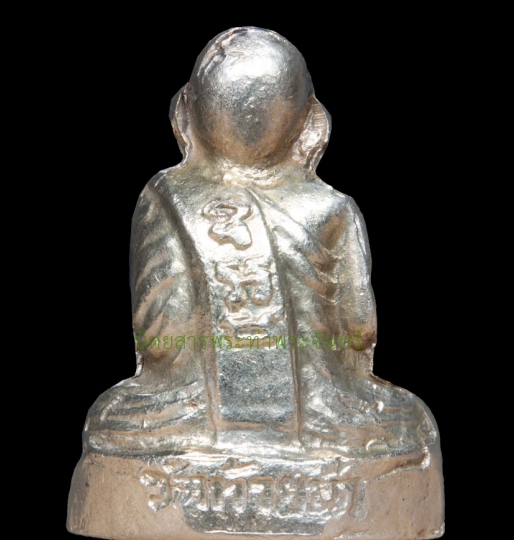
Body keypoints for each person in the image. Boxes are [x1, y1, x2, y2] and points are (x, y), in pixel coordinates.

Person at [84, 26, 436, 471]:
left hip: (187, 411)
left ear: (187, 112)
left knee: (113, 418)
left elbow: (156, 336)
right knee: (408, 423)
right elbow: (359, 329)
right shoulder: (331, 207)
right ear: (309, 120)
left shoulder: (164, 196)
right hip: (323, 410)